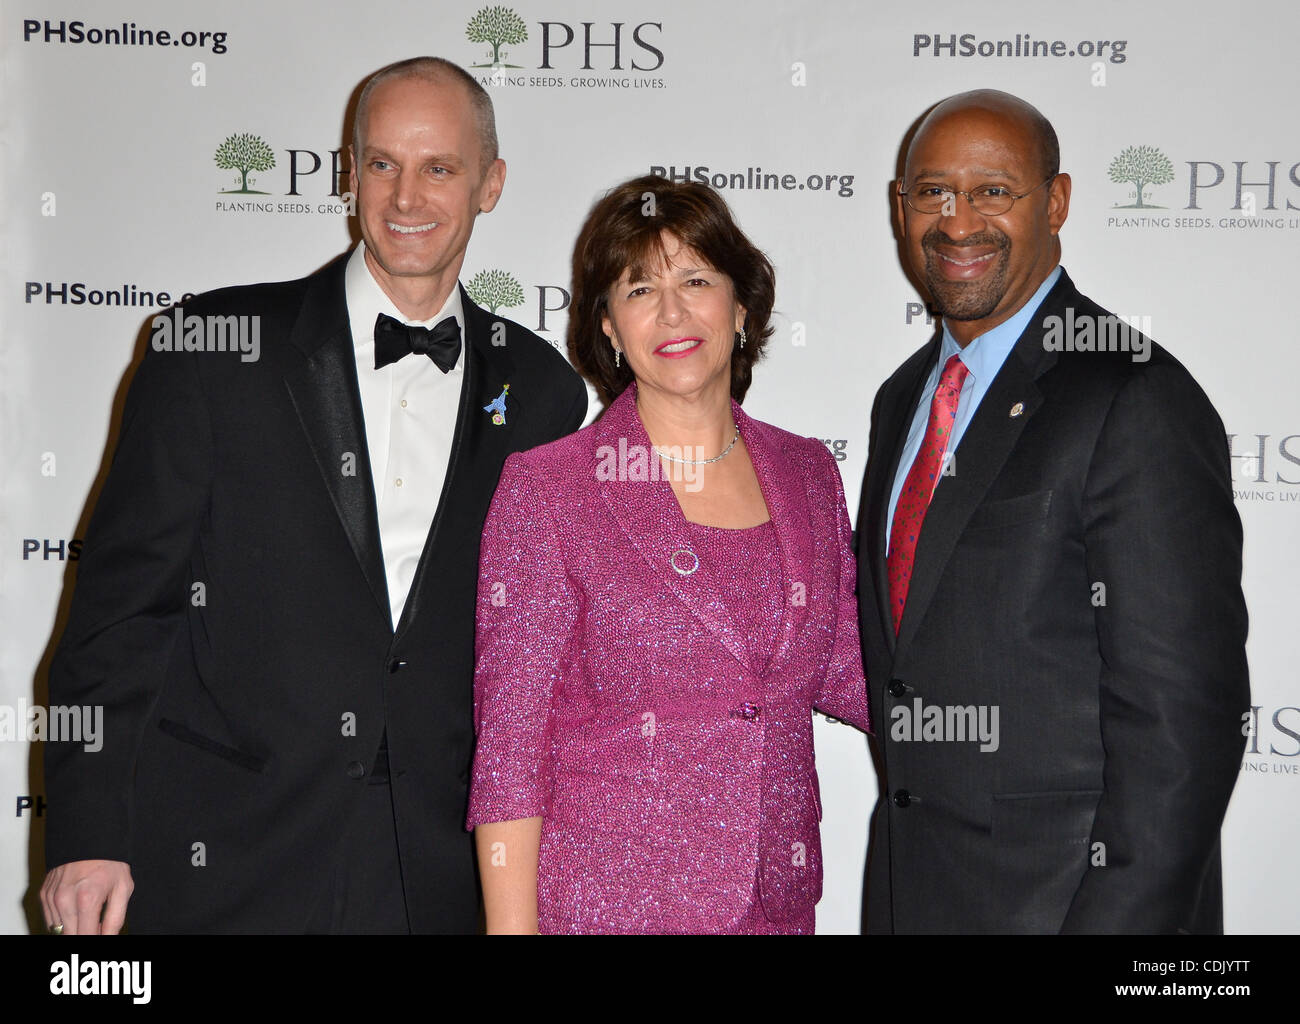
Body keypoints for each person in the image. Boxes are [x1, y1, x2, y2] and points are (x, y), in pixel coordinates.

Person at [39, 56, 587, 934]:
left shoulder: (545, 392)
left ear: (491, 184)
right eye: (381, 164)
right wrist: (86, 830)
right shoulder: (211, 349)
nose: (406, 197)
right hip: (224, 852)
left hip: (437, 871)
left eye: (439, 167)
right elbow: (119, 613)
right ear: (348, 172)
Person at [856, 89, 1249, 934]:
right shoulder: (901, 403)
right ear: (900, 207)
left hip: (1072, 909)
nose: (958, 222)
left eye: (994, 191)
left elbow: (1184, 727)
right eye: (932, 192)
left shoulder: (1134, 395)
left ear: (1057, 202)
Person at [465, 175, 870, 934]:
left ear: (741, 306)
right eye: (640, 288)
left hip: (775, 909)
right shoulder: (553, 489)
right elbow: (511, 751)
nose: (673, 312)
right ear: (610, 327)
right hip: (607, 912)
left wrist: (1008, 716)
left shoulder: (808, 473)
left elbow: (852, 664)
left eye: (696, 279)